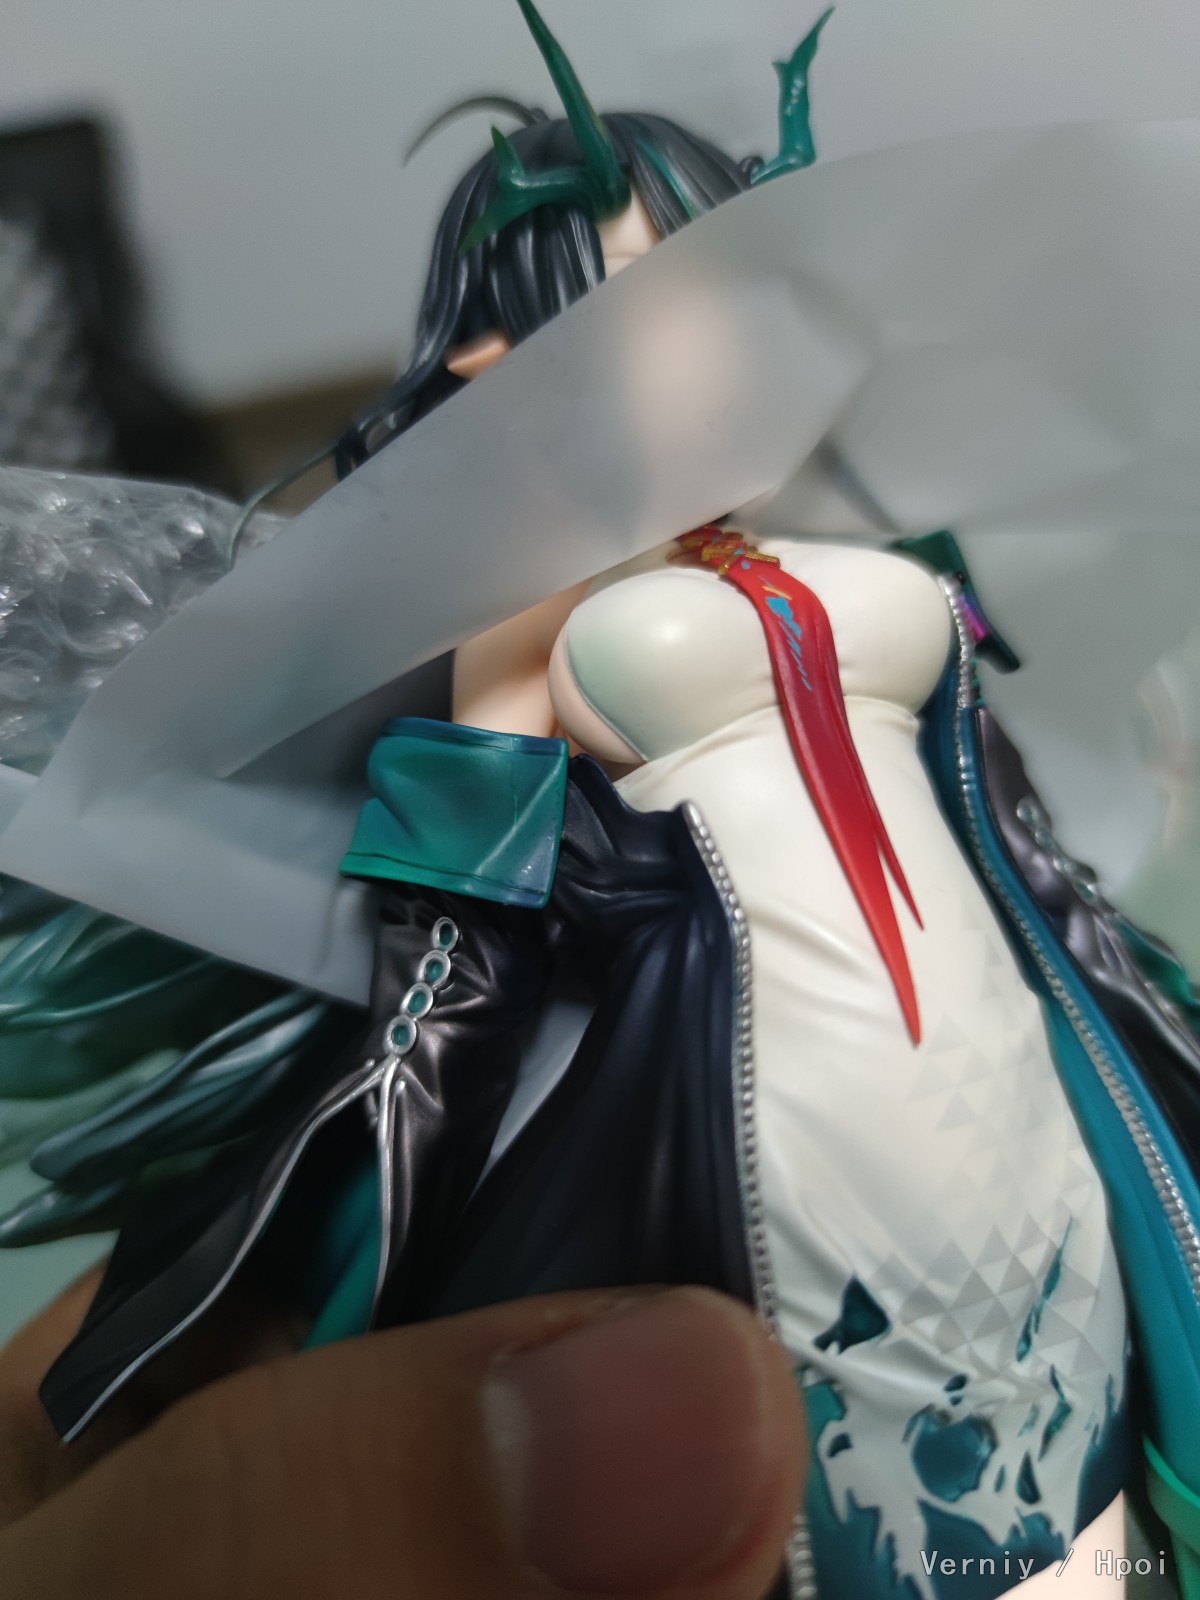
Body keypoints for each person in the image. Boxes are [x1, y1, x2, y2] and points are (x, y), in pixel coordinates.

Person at [3, 5, 1200, 1597]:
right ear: (513, 361)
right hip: (750, 1079)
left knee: (1078, 1380)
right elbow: (469, 921)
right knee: (803, 1453)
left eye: (749, 289)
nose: (735, 350)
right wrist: (383, 1156)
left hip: (993, 1034)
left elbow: (1008, 824)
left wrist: (1128, 988)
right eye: (661, 306)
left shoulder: (869, 546)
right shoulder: (523, 610)